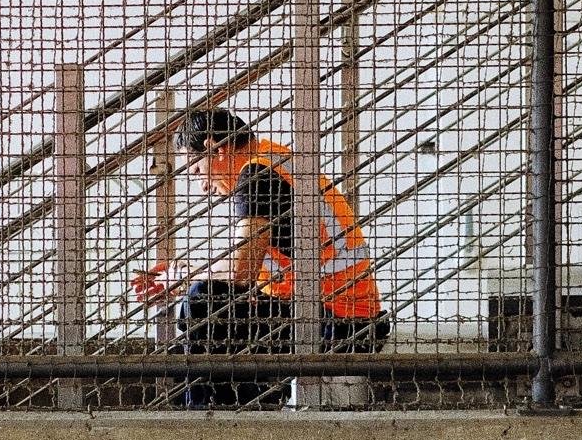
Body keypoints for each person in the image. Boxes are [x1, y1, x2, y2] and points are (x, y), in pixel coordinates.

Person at [132, 108, 390, 407]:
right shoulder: (275, 160)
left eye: (198, 170)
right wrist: (185, 273)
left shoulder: (258, 175)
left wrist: (183, 276)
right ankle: (227, 416)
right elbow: (251, 266)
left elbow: (240, 271)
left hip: (340, 323)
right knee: (190, 346)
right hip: (332, 311)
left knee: (203, 300)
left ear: (217, 148)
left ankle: (213, 424)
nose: (203, 185)